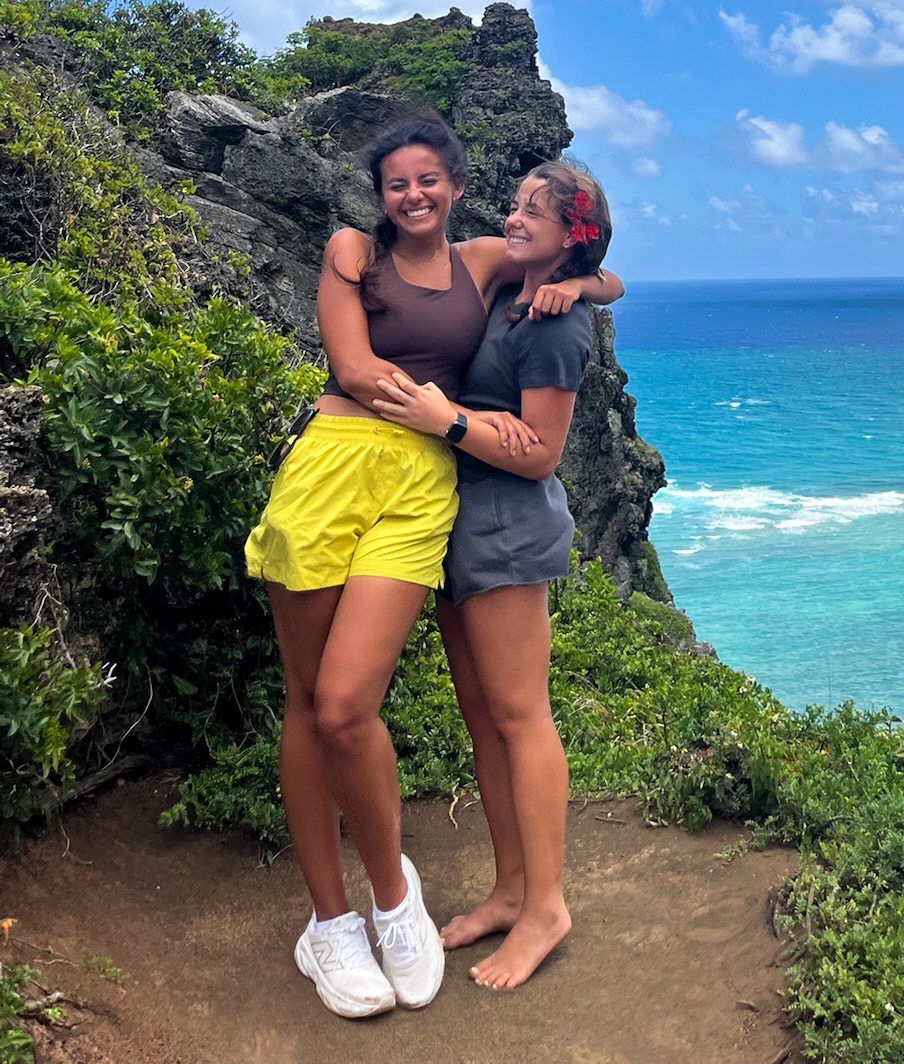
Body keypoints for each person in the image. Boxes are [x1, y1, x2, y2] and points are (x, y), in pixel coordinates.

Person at [244, 121, 623, 1020]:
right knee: (464, 715)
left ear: (453, 185)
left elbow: (597, 279)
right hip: (402, 487)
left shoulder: (512, 283)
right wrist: (575, 280)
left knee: (460, 710)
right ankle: (474, 898)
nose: (412, 195)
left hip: (460, 499)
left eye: (428, 180)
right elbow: (352, 366)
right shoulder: (400, 260)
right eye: (395, 183)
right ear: (380, 194)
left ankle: (504, 903)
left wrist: (577, 287)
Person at [372, 159, 611, 992]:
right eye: (514, 204)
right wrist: (579, 281)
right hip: (460, 523)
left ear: (570, 234)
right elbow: (608, 277)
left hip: (508, 529)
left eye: (533, 212)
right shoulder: (520, 291)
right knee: (483, 717)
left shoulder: (555, 327)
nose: (513, 218)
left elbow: (542, 452)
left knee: (521, 716)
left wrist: (448, 420)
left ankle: (546, 906)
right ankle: (511, 889)